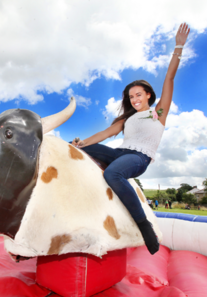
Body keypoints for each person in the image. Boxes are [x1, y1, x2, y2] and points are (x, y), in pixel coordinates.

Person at [72, 23, 190, 255]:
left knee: (112, 173)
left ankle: (143, 224)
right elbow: (105, 134)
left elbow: (169, 79)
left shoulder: (158, 114)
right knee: (81, 149)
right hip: (120, 152)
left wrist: (178, 46)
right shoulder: (127, 118)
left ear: (148, 95)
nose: (134, 99)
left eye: (138, 95)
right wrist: (80, 143)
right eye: (131, 97)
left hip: (139, 157)